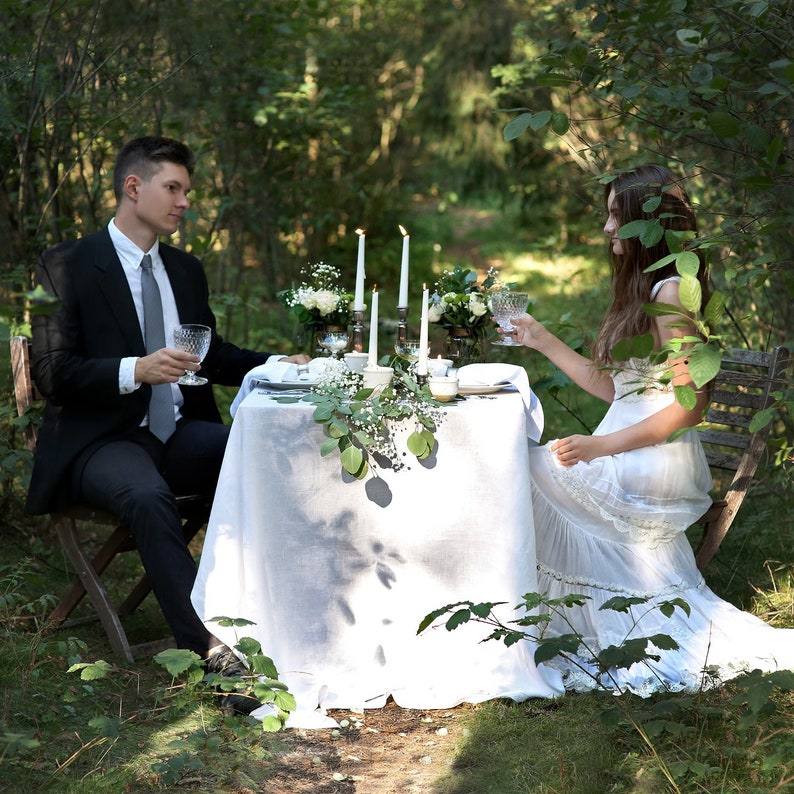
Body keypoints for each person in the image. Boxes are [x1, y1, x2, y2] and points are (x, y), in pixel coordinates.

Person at [26, 136, 309, 714]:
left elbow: (212, 354)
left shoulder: (184, 268)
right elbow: (52, 373)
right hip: (97, 441)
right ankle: (211, 651)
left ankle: (286, 613)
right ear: (134, 188)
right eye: (173, 189)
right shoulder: (65, 266)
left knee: (260, 454)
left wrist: (279, 364)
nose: (184, 202)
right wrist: (138, 369)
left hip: (176, 432)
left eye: (187, 191)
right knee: (150, 497)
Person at [510, 163, 794, 694]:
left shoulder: (671, 293)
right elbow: (618, 389)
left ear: (646, 220)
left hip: (652, 460)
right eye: (608, 215)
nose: (607, 228)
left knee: (515, 466)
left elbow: (690, 406)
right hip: (629, 448)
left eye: (616, 215)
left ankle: (536, 619)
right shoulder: (645, 288)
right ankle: (543, 618)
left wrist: (600, 446)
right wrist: (542, 339)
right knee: (517, 462)